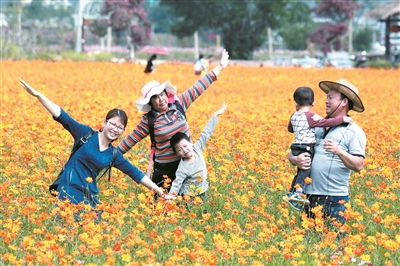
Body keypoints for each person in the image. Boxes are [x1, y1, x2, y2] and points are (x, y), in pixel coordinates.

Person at [19, 78, 164, 212]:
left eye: (120, 128)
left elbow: (136, 173)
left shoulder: (113, 154)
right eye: (113, 124)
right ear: (104, 123)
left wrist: (159, 191)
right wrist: (38, 95)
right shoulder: (85, 134)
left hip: (90, 199)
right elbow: (62, 116)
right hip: (67, 193)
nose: (115, 129)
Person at [118, 49, 230, 193]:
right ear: (150, 102)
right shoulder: (148, 120)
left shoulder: (179, 104)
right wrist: (105, 156)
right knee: (162, 208)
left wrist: (219, 67)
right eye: (156, 98)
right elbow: (129, 141)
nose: (161, 99)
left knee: (189, 206)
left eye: (162, 94)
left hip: (188, 164)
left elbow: (199, 86)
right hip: (165, 170)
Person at [287, 79, 366, 235]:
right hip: (309, 197)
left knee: (334, 249)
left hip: (335, 200)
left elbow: (358, 165)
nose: (326, 101)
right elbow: (293, 151)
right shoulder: (316, 125)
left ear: (344, 102)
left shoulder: (354, 131)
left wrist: (339, 151)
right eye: (327, 97)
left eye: (331, 97)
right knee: (309, 250)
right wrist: (295, 159)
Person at [283, 87, 353, 211]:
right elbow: (325, 122)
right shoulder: (311, 116)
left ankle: (292, 191)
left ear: (295, 103)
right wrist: (342, 119)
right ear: (313, 103)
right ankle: (297, 193)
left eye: (330, 97)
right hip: (306, 146)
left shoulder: (294, 115)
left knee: (301, 170)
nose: (326, 101)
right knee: (305, 169)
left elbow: (290, 129)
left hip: (296, 146)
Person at [165, 102, 227, 210]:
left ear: (190, 142)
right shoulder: (182, 168)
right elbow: (177, 183)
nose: (184, 150)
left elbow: (206, 133)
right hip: (189, 196)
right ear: (177, 154)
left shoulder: (197, 148)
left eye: (185, 146)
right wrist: (170, 197)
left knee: (203, 213)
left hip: (202, 190)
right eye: (180, 149)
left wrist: (215, 115)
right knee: (192, 216)